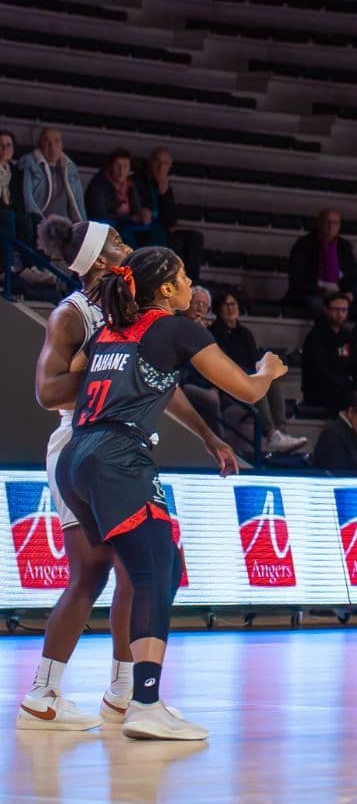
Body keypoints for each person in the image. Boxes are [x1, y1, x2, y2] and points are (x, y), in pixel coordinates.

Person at [54, 245, 285, 740]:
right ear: (164, 289)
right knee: (156, 568)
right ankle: (145, 702)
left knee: (152, 569)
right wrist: (269, 370)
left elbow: (78, 378)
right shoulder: (179, 330)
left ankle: (125, 697)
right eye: (182, 277)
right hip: (118, 454)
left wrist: (205, 433)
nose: (190, 286)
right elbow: (245, 390)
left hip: (76, 456)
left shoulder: (106, 331)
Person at [17, 221, 227, 732]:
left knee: (142, 569)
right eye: (117, 244)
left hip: (115, 443)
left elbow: (160, 381)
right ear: (97, 262)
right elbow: (47, 392)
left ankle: (123, 688)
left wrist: (207, 434)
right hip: (81, 439)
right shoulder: (73, 313)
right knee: (95, 570)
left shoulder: (128, 313)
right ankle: (44, 692)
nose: (128, 248)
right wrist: (107, 369)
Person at [208, 287, 308, 454]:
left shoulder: (245, 333)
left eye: (233, 304)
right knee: (256, 384)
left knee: (271, 381)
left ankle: (281, 433)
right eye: (226, 305)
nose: (230, 308)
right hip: (229, 384)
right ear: (219, 309)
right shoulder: (214, 333)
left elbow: (255, 359)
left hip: (248, 377)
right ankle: (271, 433)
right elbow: (222, 364)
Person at [284, 209, 357, 344]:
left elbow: (355, 276)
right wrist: (323, 292)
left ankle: (350, 344)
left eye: (335, 223)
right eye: (328, 222)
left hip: (339, 295)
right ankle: (333, 344)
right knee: (317, 305)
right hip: (315, 293)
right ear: (319, 224)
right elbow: (297, 281)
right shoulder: (303, 245)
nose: (332, 226)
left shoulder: (344, 246)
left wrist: (352, 294)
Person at [299, 292, 357, 426]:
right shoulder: (315, 337)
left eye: (344, 310)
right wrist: (352, 391)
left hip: (346, 389)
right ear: (326, 310)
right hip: (320, 392)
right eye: (336, 310)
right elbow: (321, 373)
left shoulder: (347, 337)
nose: (340, 314)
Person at [134, 148, 204, 281]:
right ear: (151, 163)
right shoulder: (138, 180)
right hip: (144, 227)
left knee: (195, 238)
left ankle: (191, 283)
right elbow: (142, 210)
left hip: (163, 226)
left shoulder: (164, 183)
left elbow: (170, 218)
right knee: (174, 242)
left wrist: (163, 191)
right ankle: (173, 280)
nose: (161, 167)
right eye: (158, 162)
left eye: (166, 164)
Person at [84, 148, 161, 249]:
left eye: (125, 166)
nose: (121, 170)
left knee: (157, 231)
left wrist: (143, 214)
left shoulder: (131, 184)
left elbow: (136, 210)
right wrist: (127, 219)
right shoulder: (98, 186)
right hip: (106, 231)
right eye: (117, 165)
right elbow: (98, 217)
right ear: (110, 166)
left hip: (127, 227)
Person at [177, 286, 225, 442]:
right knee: (211, 400)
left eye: (204, 305)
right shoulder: (175, 323)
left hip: (205, 381)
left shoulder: (207, 332)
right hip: (183, 382)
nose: (200, 308)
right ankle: (219, 442)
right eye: (196, 303)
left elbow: (215, 362)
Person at [20, 127, 85, 228]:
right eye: (47, 142)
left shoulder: (70, 168)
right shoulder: (29, 163)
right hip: (40, 222)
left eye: (56, 141)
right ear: (40, 145)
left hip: (65, 224)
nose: (52, 147)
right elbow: (27, 200)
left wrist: (85, 227)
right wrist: (39, 222)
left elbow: (79, 203)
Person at [0, 128, 36, 252]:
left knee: (30, 219)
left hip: (10, 212)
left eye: (8, 145)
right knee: (7, 217)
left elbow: (19, 200)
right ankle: (6, 265)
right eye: (0, 145)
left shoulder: (17, 173)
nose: (4, 149)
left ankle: (31, 265)